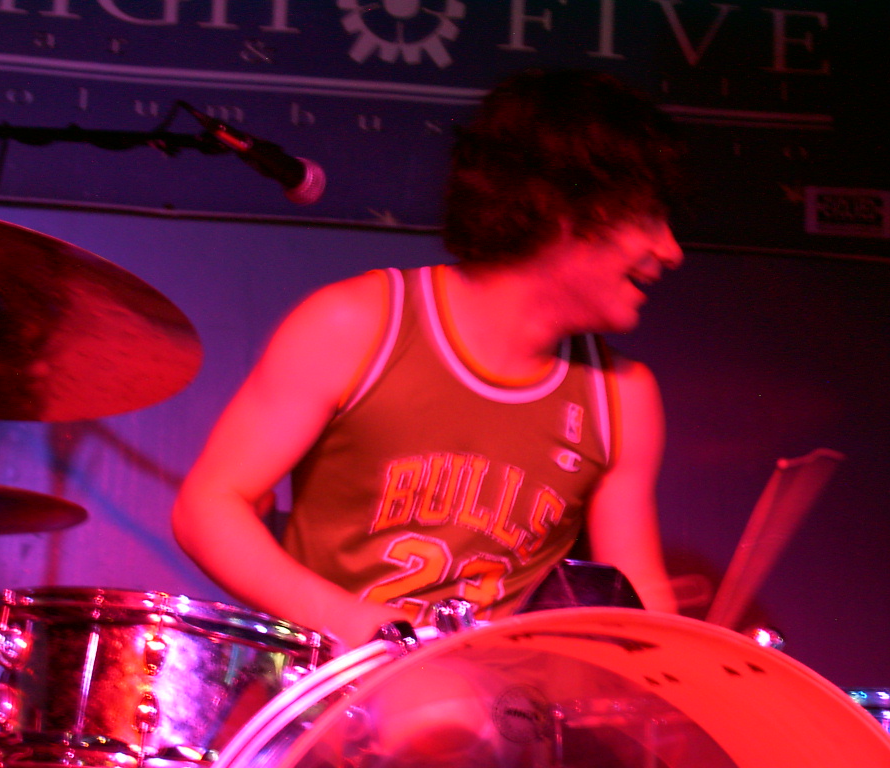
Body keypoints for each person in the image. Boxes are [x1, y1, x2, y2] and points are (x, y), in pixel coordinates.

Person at [172, 69, 686, 651]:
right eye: (648, 217)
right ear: (565, 208)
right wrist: (369, 633)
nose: (671, 250)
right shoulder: (356, 323)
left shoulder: (623, 395)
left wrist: (686, 668)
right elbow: (208, 506)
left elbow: (637, 603)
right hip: (334, 689)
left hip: (505, 700)